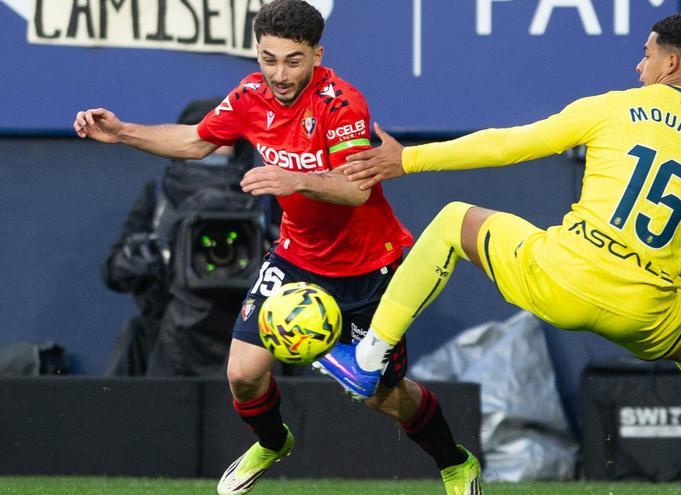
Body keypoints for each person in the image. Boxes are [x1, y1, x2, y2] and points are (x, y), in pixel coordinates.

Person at [314, 13, 681, 495]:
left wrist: (410, 159)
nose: (639, 66)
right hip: (645, 311)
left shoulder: (615, 108)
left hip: (563, 279)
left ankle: (370, 357)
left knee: (451, 222)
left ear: (672, 62)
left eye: (647, 54)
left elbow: (509, 145)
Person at [73, 1, 481, 494]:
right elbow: (197, 142)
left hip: (370, 267)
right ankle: (272, 441)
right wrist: (122, 133)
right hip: (296, 257)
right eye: (268, 58)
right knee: (242, 374)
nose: (279, 73)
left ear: (317, 54)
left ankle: (455, 462)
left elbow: (355, 189)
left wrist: (293, 178)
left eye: (293, 59)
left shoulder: (342, 102)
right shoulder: (249, 94)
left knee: (381, 395)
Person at [102, 98, 256, 377]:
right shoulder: (159, 195)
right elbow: (113, 271)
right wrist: (139, 261)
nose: (211, 146)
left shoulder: (263, 191)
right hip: (165, 333)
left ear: (239, 142)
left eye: (222, 135)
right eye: (203, 135)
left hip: (246, 336)